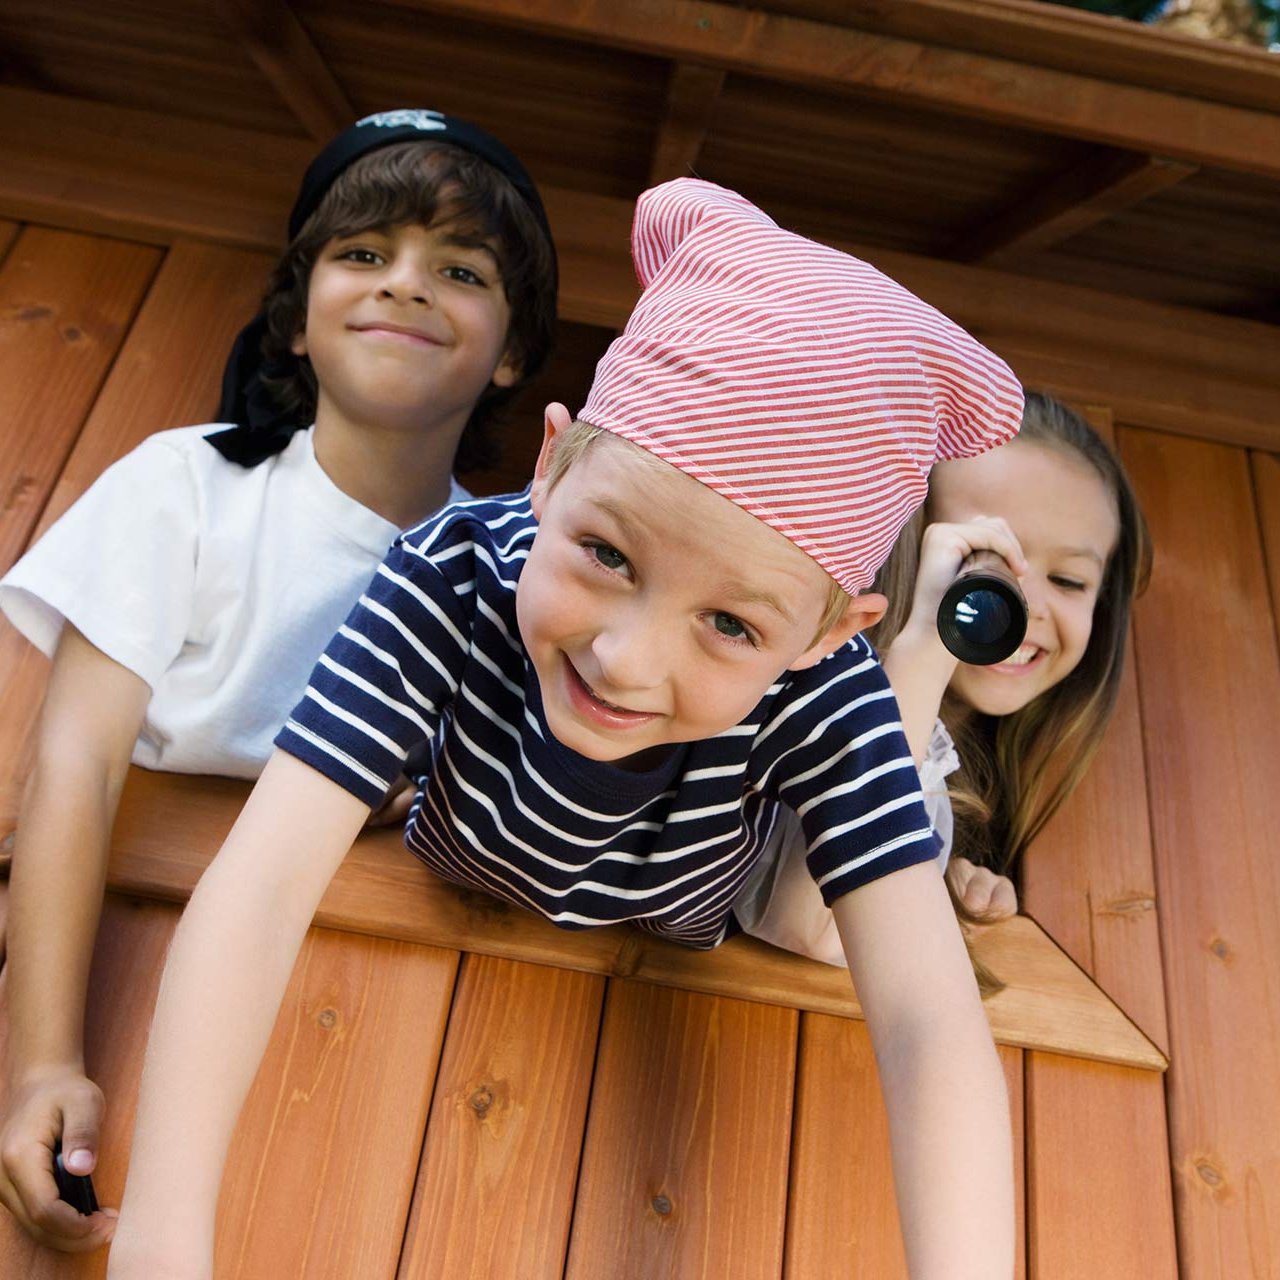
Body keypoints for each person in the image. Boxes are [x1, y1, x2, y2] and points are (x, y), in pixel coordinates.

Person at [106, 178, 1024, 1280]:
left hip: (696, 900)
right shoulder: (444, 573)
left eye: (729, 622)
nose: (625, 656)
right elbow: (257, 892)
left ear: (833, 632)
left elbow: (926, 1023)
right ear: (547, 467)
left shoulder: (830, 693)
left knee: (817, 911)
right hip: (468, 840)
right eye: (606, 554)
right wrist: (159, 1245)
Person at [0, 107, 557, 1253]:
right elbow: (77, 763)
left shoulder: (513, 573)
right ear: (298, 319)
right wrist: (45, 1058)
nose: (405, 285)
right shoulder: (187, 485)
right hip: (121, 983)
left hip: (382, 1056)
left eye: (458, 269)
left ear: (509, 349)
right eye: (363, 254)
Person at [734, 391, 1151, 966]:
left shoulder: (1001, 780)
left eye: (1070, 581)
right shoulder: (797, 698)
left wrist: (952, 873)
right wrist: (927, 646)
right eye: (986, 558)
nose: (1023, 607)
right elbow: (807, 924)